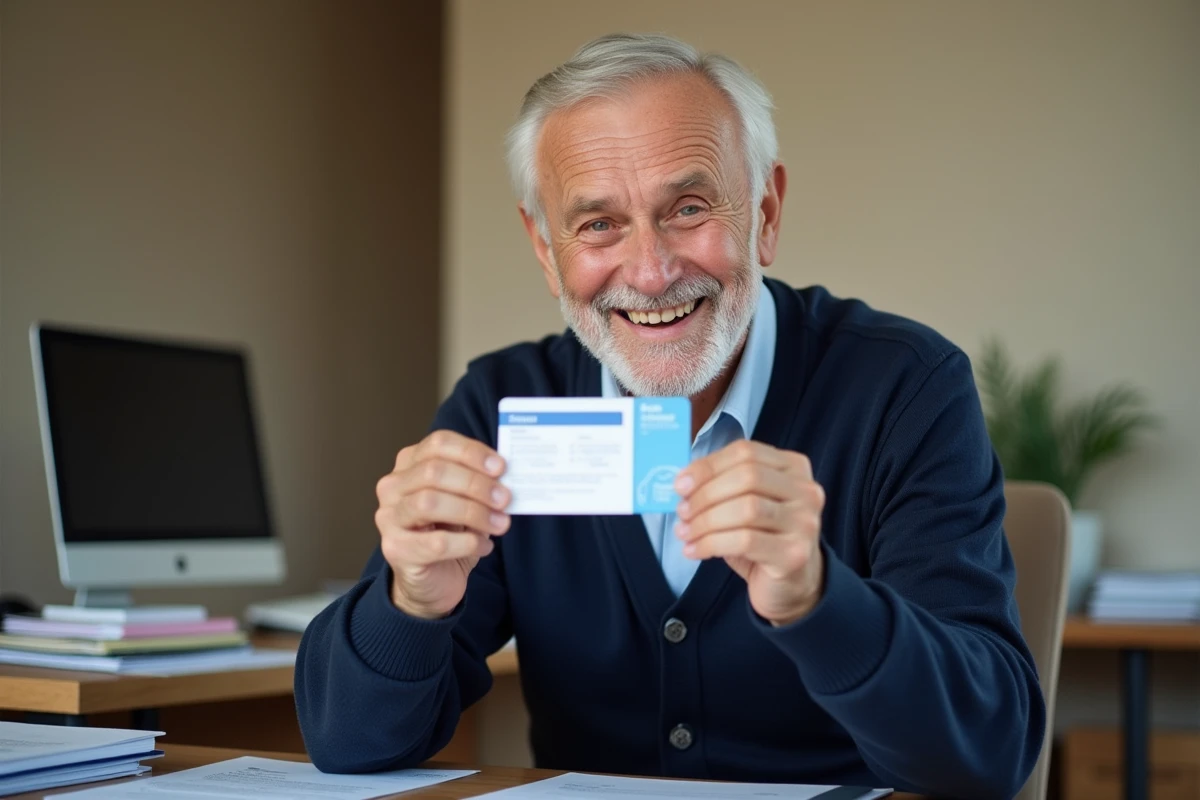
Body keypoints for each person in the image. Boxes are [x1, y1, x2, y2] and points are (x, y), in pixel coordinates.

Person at [295, 33, 1044, 799]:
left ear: (766, 212)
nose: (651, 272)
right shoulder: (502, 404)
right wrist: (410, 601)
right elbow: (351, 745)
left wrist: (821, 601)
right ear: (546, 250)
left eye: (688, 209)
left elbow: (986, 756)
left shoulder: (904, 390)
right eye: (597, 225)